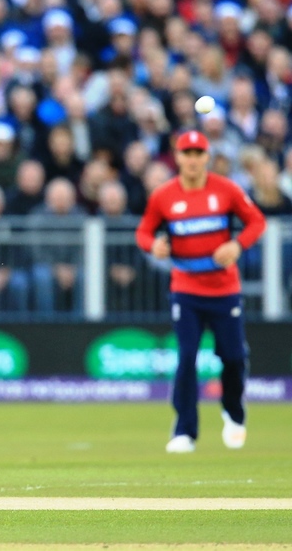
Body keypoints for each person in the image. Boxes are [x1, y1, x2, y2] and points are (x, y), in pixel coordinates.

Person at [135, 130, 266, 454]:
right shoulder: (164, 196)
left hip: (224, 289)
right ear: (177, 158)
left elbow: (256, 222)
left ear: (207, 157)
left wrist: (237, 245)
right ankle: (185, 431)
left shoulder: (226, 190)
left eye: (198, 153)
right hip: (186, 289)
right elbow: (143, 231)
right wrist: (154, 246)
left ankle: (233, 413)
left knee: (233, 358)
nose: (192, 159)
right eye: (186, 153)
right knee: (187, 357)